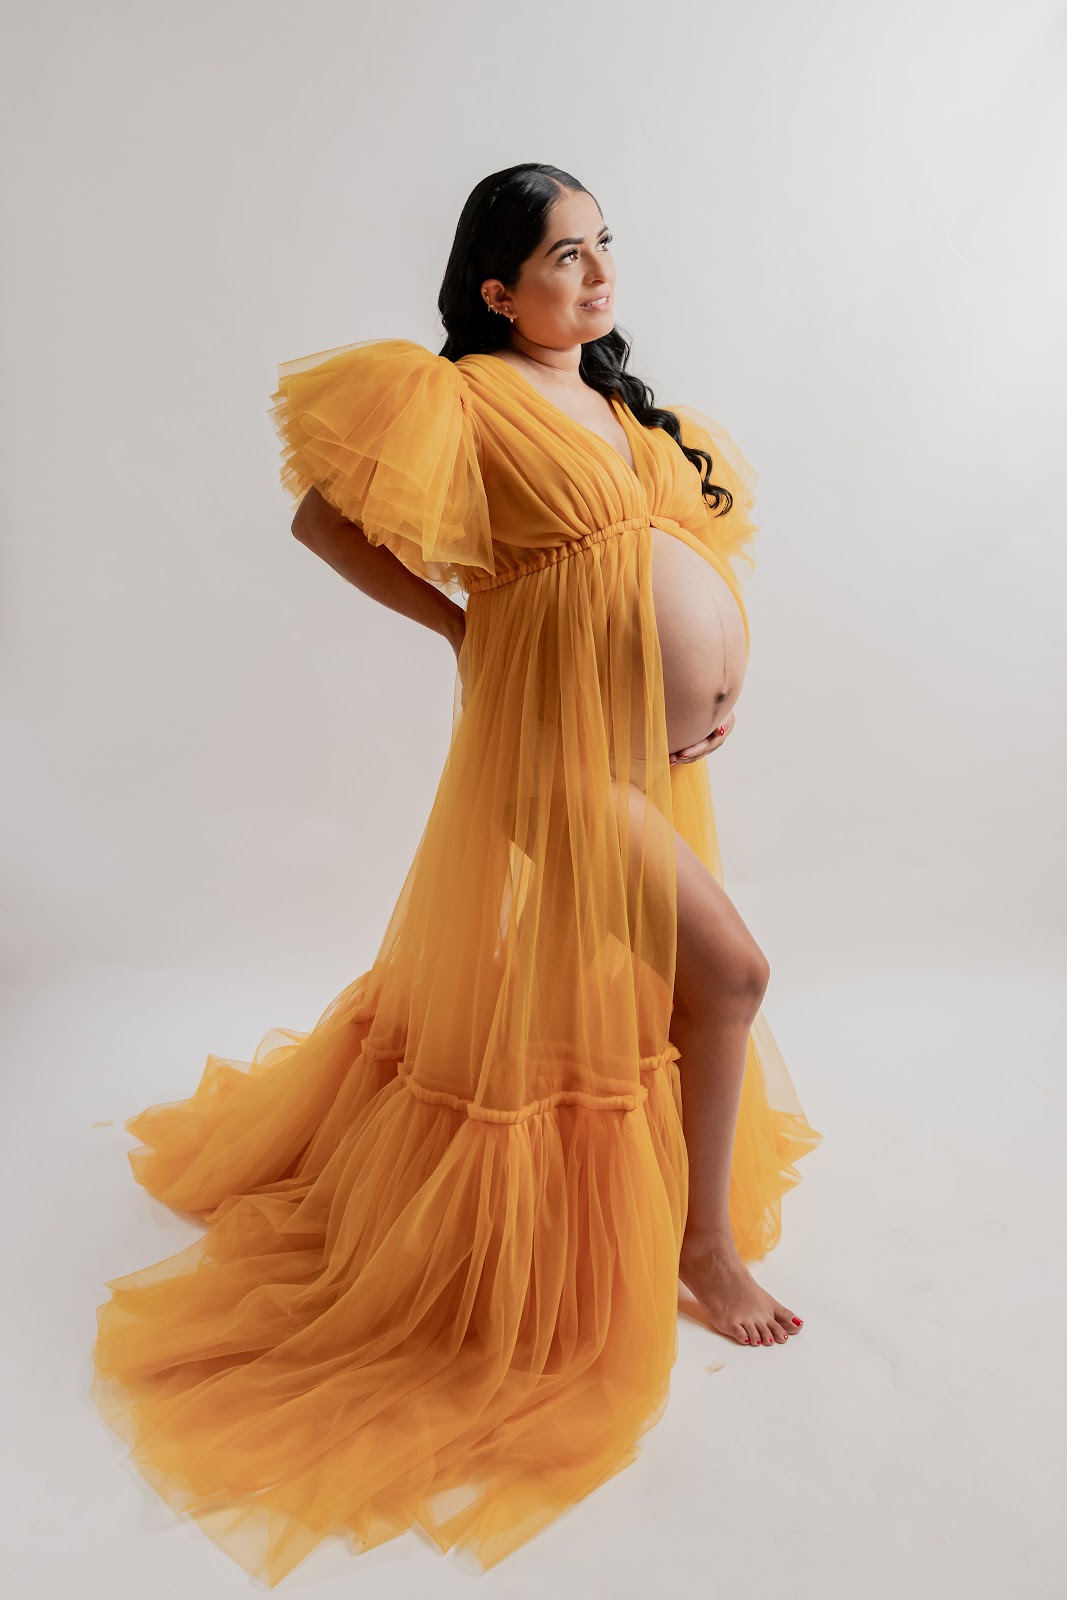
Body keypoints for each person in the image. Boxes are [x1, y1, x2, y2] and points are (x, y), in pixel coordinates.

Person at [91, 163, 822, 1586]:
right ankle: (704, 1252)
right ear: (498, 289)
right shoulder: (462, 393)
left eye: (603, 245)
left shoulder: (612, 398)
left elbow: (669, 552)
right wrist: (457, 626)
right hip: (556, 752)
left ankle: (669, 1220)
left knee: (653, 987)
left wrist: (710, 681)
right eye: (565, 256)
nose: (598, 273)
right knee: (731, 974)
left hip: (647, 750)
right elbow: (322, 520)